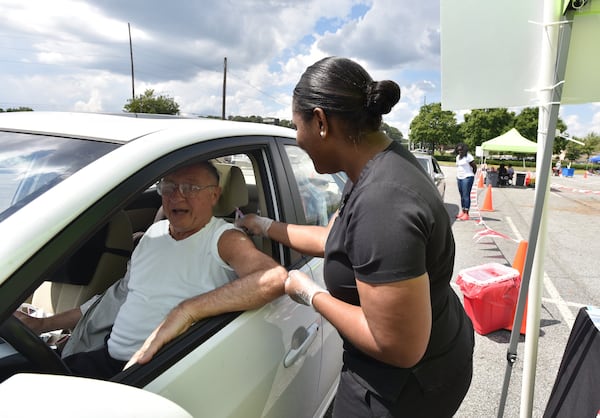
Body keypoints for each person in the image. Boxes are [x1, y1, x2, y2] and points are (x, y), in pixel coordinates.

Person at [233, 57, 474, 417]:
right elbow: (336, 239)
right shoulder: (378, 162)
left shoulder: (383, 202)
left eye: (297, 127)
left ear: (320, 121)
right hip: (439, 349)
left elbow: (397, 347)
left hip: (404, 387)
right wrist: (266, 226)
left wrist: (309, 294)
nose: (298, 140)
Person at [15, 161, 287, 379]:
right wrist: (42, 325)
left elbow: (272, 278)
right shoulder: (153, 234)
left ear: (214, 194)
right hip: (109, 359)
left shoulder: (224, 238)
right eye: (169, 186)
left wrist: (188, 310)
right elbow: (116, 298)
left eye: (191, 187)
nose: (176, 195)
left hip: (161, 370)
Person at [455, 143, 477, 220]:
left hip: (467, 177)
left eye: (461, 150)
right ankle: (463, 211)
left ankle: (466, 213)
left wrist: (472, 174)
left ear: (464, 149)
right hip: (459, 177)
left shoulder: (468, 157)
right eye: (458, 150)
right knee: (462, 195)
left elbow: (474, 166)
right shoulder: (458, 157)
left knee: (466, 195)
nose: (460, 151)